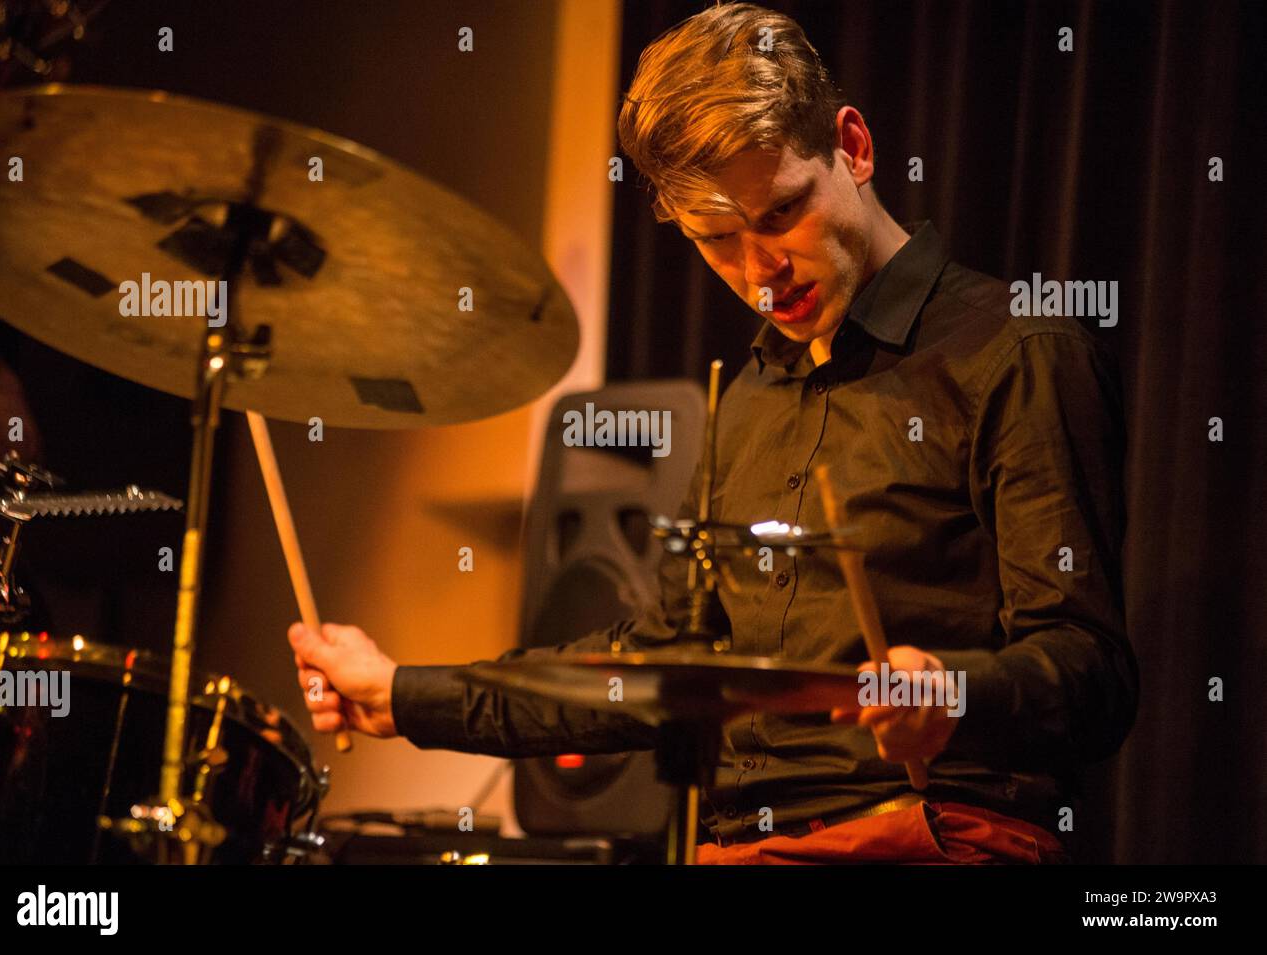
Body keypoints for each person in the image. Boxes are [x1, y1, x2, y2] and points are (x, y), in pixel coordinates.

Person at [287, 2, 1137, 864]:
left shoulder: (1019, 350)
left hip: (925, 832)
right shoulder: (749, 397)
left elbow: (1093, 668)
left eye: (779, 215)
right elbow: (648, 662)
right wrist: (400, 693)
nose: (760, 274)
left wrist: (956, 692)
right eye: (716, 241)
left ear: (854, 147)